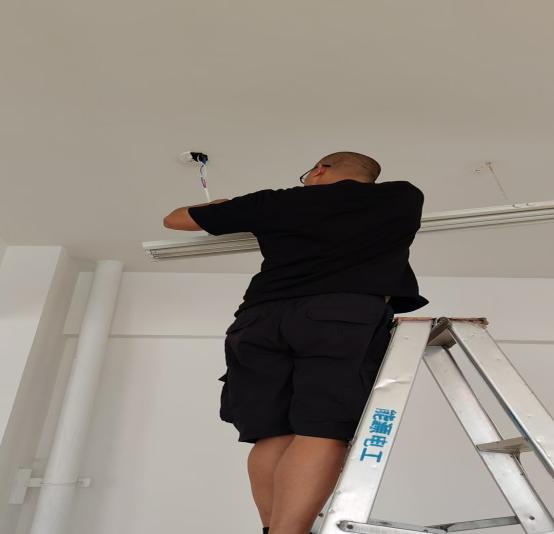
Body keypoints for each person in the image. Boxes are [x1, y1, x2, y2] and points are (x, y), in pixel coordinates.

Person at [165, 151, 429, 534]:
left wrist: (222, 206)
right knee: (323, 428)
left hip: (258, 321)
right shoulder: (401, 196)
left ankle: (273, 530)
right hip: (340, 315)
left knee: (271, 432)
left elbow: (175, 219)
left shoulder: (274, 201)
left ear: (320, 170)